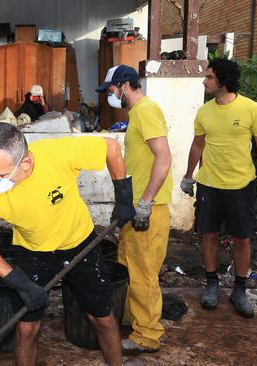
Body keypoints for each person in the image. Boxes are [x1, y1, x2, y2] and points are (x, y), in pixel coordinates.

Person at [0, 122, 135, 366]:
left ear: (25, 163)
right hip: (32, 252)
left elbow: (110, 148)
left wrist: (123, 197)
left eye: (0, 176)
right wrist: (20, 283)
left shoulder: (57, 153)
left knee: (104, 320)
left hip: (79, 244)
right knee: (26, 330)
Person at [181, 58, 257, 318]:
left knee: (242, 238)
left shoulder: (251, 108)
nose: (204, 81)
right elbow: (198, 145)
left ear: (222, 81)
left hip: (241, 185)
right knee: (208, 235)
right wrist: (189, 176)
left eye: (209, 77)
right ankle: (212, 284)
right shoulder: (205, 111)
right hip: (209, 185)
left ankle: (240, 289)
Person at [96, 65, 173, 354]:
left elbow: (163, 158)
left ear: (125, 85)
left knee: (143, 273)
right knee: (127, 265)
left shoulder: (146, 111)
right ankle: (132, 319)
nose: (111, 96)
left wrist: (146, 203)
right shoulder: (137, 115)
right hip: (136, 208)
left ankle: (148, 335)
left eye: (112, 90)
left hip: (148, 209)